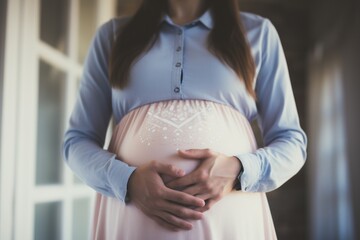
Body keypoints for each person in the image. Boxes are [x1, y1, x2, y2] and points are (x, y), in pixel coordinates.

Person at [63, 0, 307, 239]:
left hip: (230, 221)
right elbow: (76, 142)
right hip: (134, 219)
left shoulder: (258, 33)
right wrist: (126, 181)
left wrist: (237, 171)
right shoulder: (112, 36)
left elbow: (292, 144)